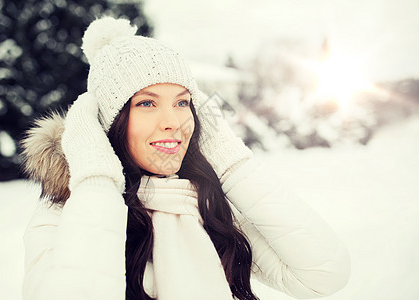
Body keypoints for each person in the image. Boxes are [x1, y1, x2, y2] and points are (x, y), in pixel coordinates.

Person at [20, 16, 350, 300]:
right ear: (109, 122)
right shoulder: (64, 214)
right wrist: (96, 179)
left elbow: (324, 274)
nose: (173, 122)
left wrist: (230, 160)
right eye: (147, 103)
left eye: (182, 102)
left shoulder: (205, 204)